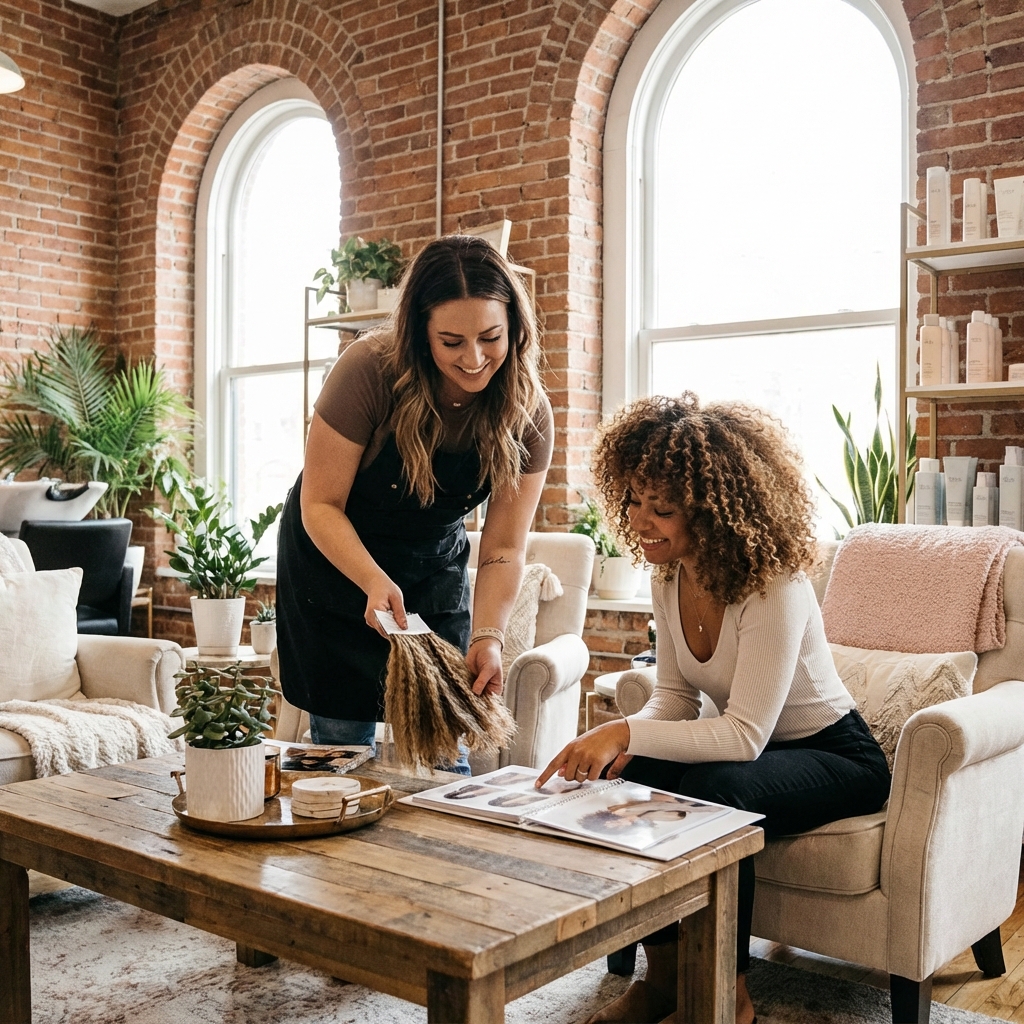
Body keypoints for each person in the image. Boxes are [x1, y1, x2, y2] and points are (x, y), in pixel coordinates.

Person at [537, 393, 891, 1024]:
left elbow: (745, 737)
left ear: (714, 511)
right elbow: (675, 698)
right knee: (637, 781)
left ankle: (729, 998)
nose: (642, 522)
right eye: (635, 501)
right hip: (753, 750)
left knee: (715, 789)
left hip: (836, 755)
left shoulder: (773, 584)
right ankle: (665, 982)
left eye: (663, 509)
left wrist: (621, 728)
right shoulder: (668, 573)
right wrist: (627, 747)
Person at [276, 235, 552, 774]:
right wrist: (372, 580)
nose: (474, 360)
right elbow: (321, 505)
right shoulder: (368, 370)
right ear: (420, 334)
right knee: (341, 758)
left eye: (490, 337)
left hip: (432, 567)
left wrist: (489, 637)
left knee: (447, 759)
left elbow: (502, 546)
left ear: (515, 328)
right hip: (334, 563)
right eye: (451, 342)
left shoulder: (529, 412)